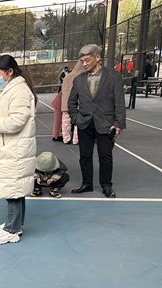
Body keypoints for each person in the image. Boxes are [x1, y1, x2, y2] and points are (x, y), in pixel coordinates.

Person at [0, 54, 37, 245]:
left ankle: (11, 230)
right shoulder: (7, 90)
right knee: (16, 189)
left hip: (15, 150)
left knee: (13, 190)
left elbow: (16, 121)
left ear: (9, 72)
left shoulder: (18, 91)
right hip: (9, 147)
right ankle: (15, 224)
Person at [68, 44, 126, 198]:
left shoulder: (113, 76)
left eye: (87, 60)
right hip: (84, 123)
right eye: (82, 61)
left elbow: (119, 102)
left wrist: (119, 123)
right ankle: (87, 184)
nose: (84, 64)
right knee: (85, 156)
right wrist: (76, 119)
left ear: (98, 57)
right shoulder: (78, 80)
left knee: (105, 157)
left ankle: (106, 186)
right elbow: (71, 102)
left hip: (106, 124)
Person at [60, 60, 86, 144]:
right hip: (76, 103)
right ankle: (76, 139)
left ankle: (65, 138)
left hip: (65, 102)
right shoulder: (81, 77)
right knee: (77, 122)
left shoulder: (67, 76)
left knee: (65, 122)